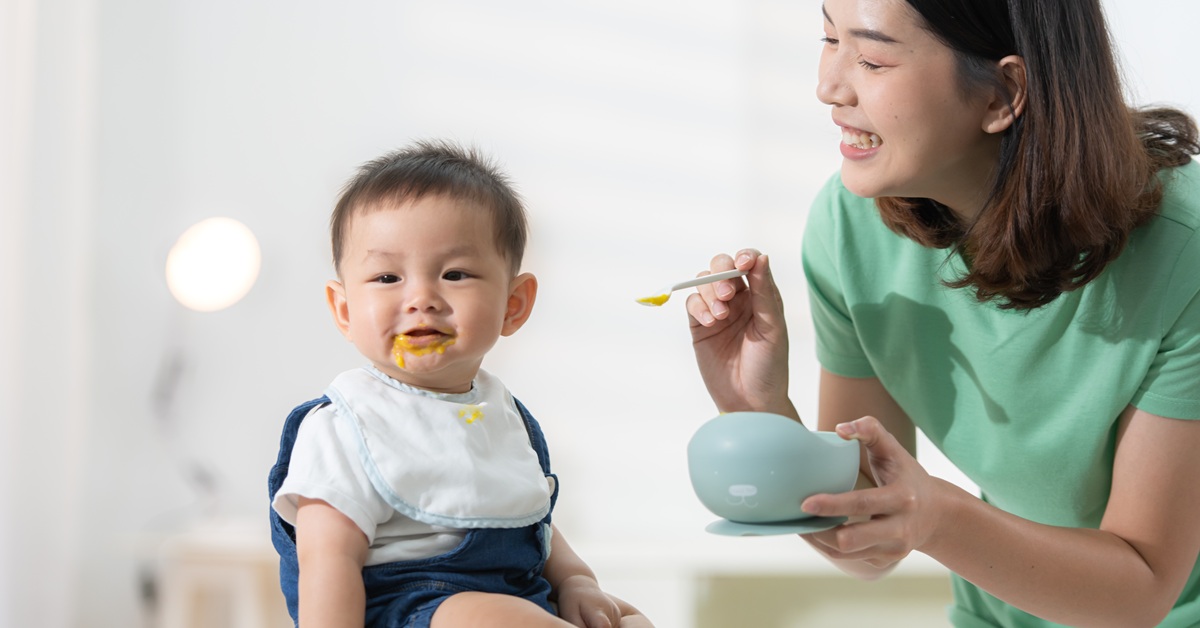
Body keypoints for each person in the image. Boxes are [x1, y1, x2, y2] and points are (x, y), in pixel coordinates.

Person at [685, 1, 1200, 626]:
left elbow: (1141, 591)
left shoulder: (1185, 252)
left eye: (872, 57)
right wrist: (761, 413)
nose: (828, 86)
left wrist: (937, 517)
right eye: (828, 38)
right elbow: (867, 548)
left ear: (1002, 94)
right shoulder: (851, 229)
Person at [268, 140, 651, 628]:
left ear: (513, 305)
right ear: (344, 310)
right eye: (387, 277)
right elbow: (327, 560)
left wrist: (577, 581)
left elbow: (529, 521)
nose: (421, 298)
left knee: (629, 621)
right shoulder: (348, 425)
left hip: (519, 594)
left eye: (455, 274)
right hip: (408, 609)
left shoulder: (501, 414)